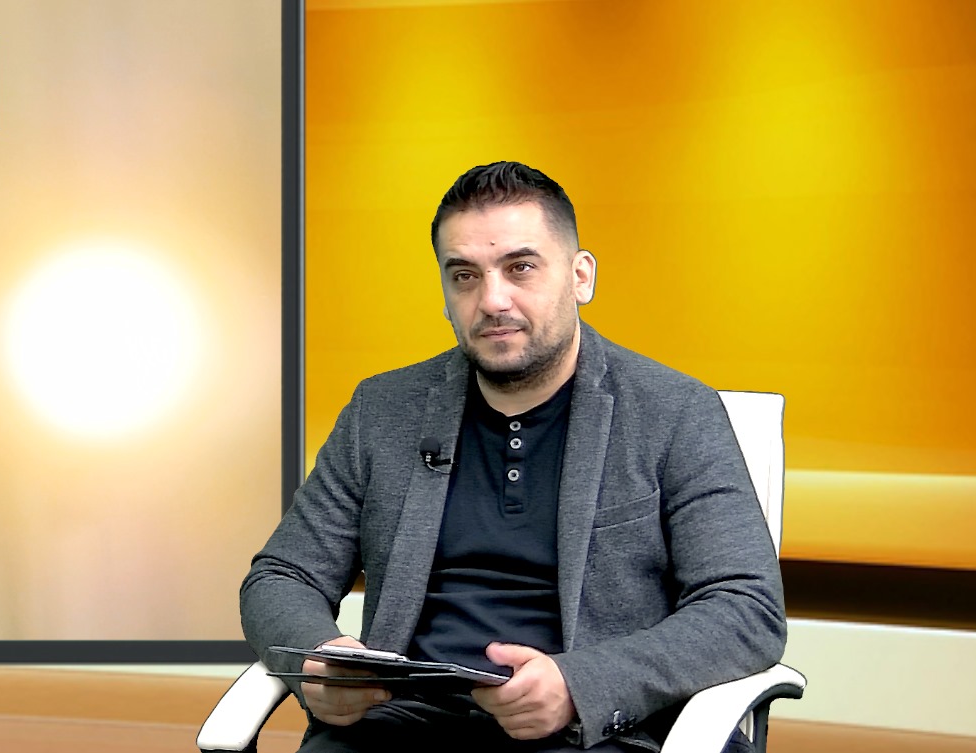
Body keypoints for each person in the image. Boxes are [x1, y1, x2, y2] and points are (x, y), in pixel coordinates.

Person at [241, 161, 785, 752]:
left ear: (581, 277)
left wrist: (581, 684)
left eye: (520, 267)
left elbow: (745, 608)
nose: (492, 299)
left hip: (597, 734)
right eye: (464, 275)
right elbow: (283, 576)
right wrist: (321, 658)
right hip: (401, 721)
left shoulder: (675, 412)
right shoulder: (383, 409)